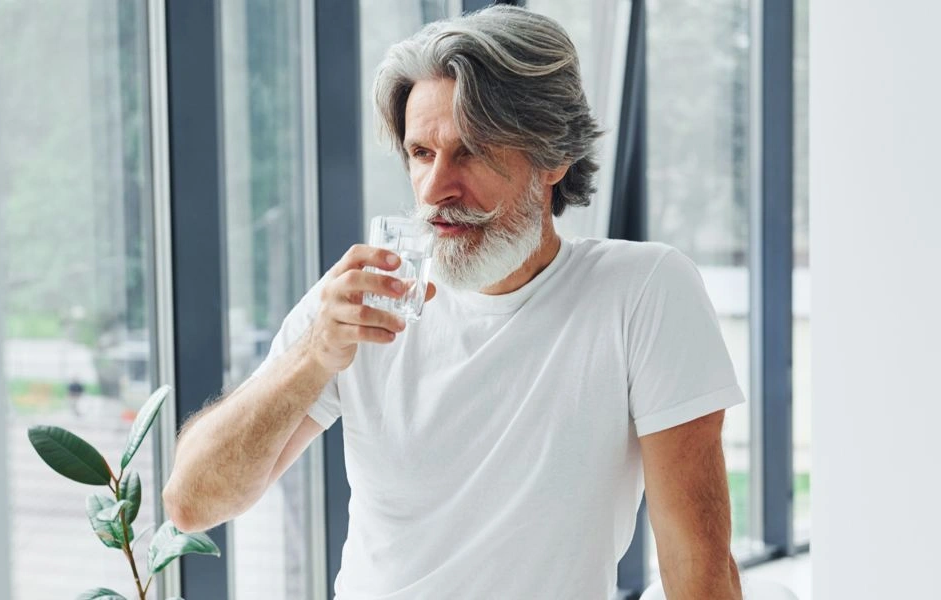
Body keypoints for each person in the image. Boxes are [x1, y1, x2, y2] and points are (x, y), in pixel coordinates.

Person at [163, 6, 744, 599]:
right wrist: (313, 354)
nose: (436, 188)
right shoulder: (361, 301)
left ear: (553, 158)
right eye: (420, 153)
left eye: (470, 151)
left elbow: (698, 567)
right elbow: (192, 502)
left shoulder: (641, 291)